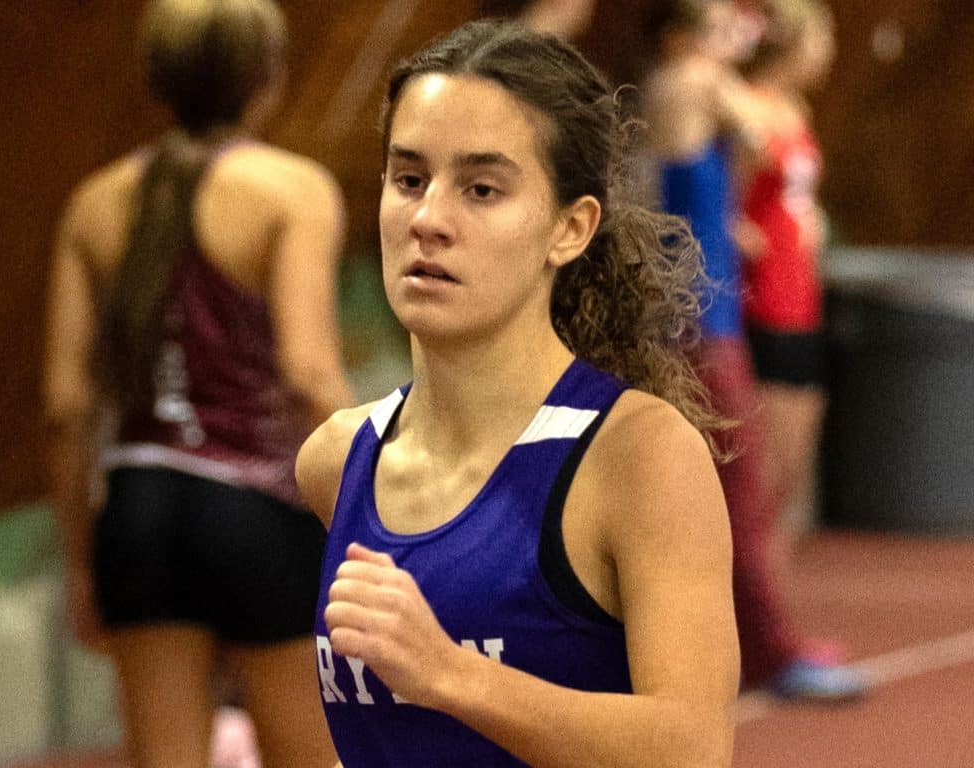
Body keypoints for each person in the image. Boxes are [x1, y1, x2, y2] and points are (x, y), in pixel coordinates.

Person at [296, 19, 739, 767]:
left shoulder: (638, 454)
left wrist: (449, 673)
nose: (429, 218)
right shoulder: (336, 460)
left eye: (481, 189)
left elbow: (693, 749)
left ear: (570, 228)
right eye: (409, 179)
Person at [41, 1, 352, 766]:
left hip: (137, 515)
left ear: (157, 79)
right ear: (267, 79)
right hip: (257, 515)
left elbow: (65, 408)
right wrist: (379, 524)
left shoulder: (92, 203)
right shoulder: (292, 190)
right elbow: (312, 374)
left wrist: (82, 561)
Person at [643, 0, 862, 700]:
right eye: (718, 25)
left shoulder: (700, 85)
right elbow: (763, 135)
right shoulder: (689, 81)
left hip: (712, 311)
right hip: (698, 319)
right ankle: (764, 651)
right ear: (681, 35)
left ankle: (737, 642)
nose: (737, 35)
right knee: (735, 491)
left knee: (728, 485)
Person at [737, 0, 836, 570]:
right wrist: (745, 235)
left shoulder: (796, 109)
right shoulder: (747, 107)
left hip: (802, 294)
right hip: (766, 294)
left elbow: (799, 192)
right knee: (767, 463)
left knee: (796, 460)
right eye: (821, 44)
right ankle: (758, 604)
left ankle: (771, 605)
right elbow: (730, 201)